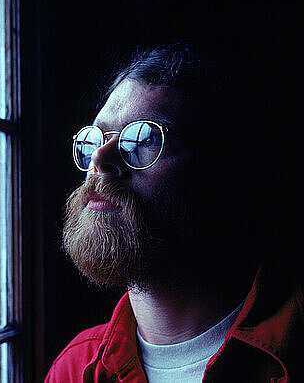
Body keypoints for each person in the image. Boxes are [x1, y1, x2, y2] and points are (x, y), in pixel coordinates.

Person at [45, 43, 303, 382]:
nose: (100, 161)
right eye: (95, 138)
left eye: (142, 138)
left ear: (222, 173)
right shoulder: (76, 370)